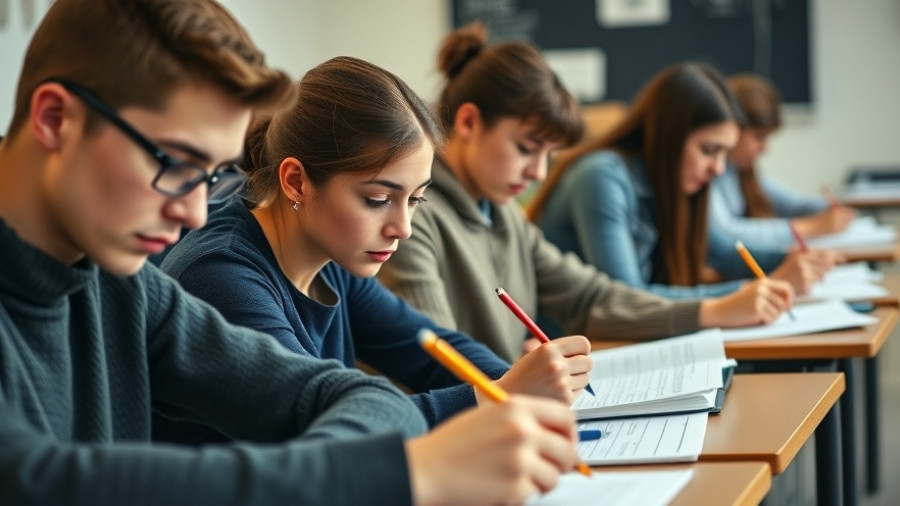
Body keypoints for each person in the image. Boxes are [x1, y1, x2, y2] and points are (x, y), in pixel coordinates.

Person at [0, 2, 580, 505]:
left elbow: (351, 395)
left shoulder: (120, 283)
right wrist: (404, 471)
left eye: (206, 176)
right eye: (175, 165)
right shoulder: (188, 268)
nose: (195, 213)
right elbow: (39, 486)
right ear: (56, 119)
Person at [159, 56, 591, 434]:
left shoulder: (330, 259)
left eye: (416, 199)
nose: (402, 227)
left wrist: (515, 379)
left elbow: (429, 348)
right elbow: (324, 422)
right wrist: (494, 396)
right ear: (296, 182)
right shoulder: (220, 277)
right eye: (378, 200)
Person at [378, 23, 793, 363]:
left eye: (548, 156)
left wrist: (713, 309)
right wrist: (517, 377)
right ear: (468, 123)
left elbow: (591, 296)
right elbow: (436, 358)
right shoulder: (415, 219)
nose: (539, 172)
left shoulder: (503, 215)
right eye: (526, 148)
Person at [528, 63, 838, 300]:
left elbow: (724, 251)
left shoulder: (672, 184)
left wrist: (792, 261)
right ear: (669, 138)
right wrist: (746, 294)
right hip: (568, 355)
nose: (718, 169)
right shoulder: (600, 177)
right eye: (708, 150)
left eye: (724, 153)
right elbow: (629, 300)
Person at [708, 73, 855, 251]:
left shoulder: (742, 170)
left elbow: (792, 202)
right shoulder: (707, 170)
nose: (765, 149)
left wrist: (828, 209)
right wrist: (810, 227)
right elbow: (726, 233)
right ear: (732, 128)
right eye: (759, 137)